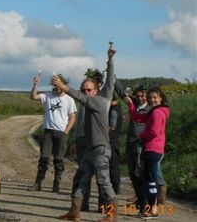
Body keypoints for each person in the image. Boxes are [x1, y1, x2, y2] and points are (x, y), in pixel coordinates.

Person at [55, 46, 117, 222]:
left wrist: (110, 60)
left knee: (104, 182)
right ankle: (74, 212)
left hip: (100, 150)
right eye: (84, 90)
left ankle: (112, 216)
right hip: (90, 150)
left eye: (89, 90)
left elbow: (110, 81)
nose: (86, 93)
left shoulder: (99, 102)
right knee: (80, 179)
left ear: (96, 91)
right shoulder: (89, 104)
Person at [125, 86, 170, 218]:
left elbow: (154, 132)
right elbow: (139, 118)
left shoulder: (157, 112)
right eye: (150, 97)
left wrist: (142, 136)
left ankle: (151, 209)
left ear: (161, 98)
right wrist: (131, 105)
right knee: (149, 179)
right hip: (153, 148)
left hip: (153, 148)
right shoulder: (156, 111)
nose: (152, 100)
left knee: (150, 180)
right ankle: (149, 208)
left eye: (155, 97)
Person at [28, 73, 77, 193]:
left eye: (59, 84)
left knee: (58, 159)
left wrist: (66, 132)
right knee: (44, 158)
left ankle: (56, 184)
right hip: (48, 132)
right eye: (54, 84)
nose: (56, 87)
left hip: (61, 133)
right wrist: (35, 85)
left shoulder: (69, 99)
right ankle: (38, 183)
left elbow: (72, 118)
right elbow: (33, 97)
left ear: (63, 84)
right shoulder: (48, 96)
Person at [107, 95, 122, 194]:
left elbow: (112, 126)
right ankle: (115, 187)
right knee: (114, 165)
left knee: (113, 165)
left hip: (112, 141)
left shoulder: (113, 110)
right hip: (115, 140)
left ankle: (115, 188)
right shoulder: (117, 109)